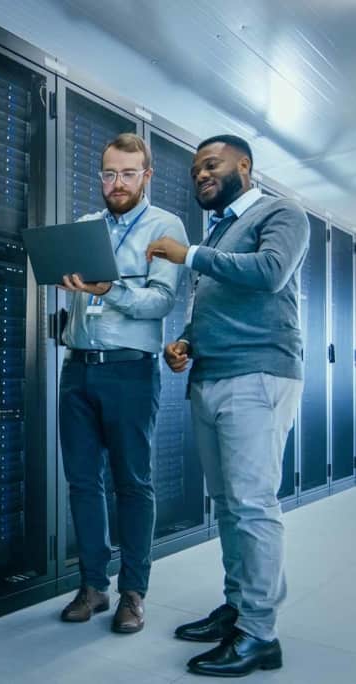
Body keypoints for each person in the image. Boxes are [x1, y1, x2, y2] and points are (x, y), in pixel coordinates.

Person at [147, 134, 309, 676]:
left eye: (210, 166)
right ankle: (239, 607)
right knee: (229, 504)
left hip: (258, 374)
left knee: (252, 504)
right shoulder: (219, 232)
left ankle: (260, 634)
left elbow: (269, 273)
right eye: (195, 171)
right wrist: (186, 341)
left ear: (245, 164)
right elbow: (211, 302)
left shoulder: (281, 213)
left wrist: (189, 254)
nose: (200, 176)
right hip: (212, 376)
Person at [58, 133, 188, 634]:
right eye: (109, 173)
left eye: (128, 173)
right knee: (82, 481)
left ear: (147, 175)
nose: (117, 183)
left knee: (132, 482)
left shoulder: (164, 226)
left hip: (130, 369)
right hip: (78, 366)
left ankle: (134, 591)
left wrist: (109, 290)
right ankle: (93, 586)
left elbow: (160, 302)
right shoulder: (87, 226)